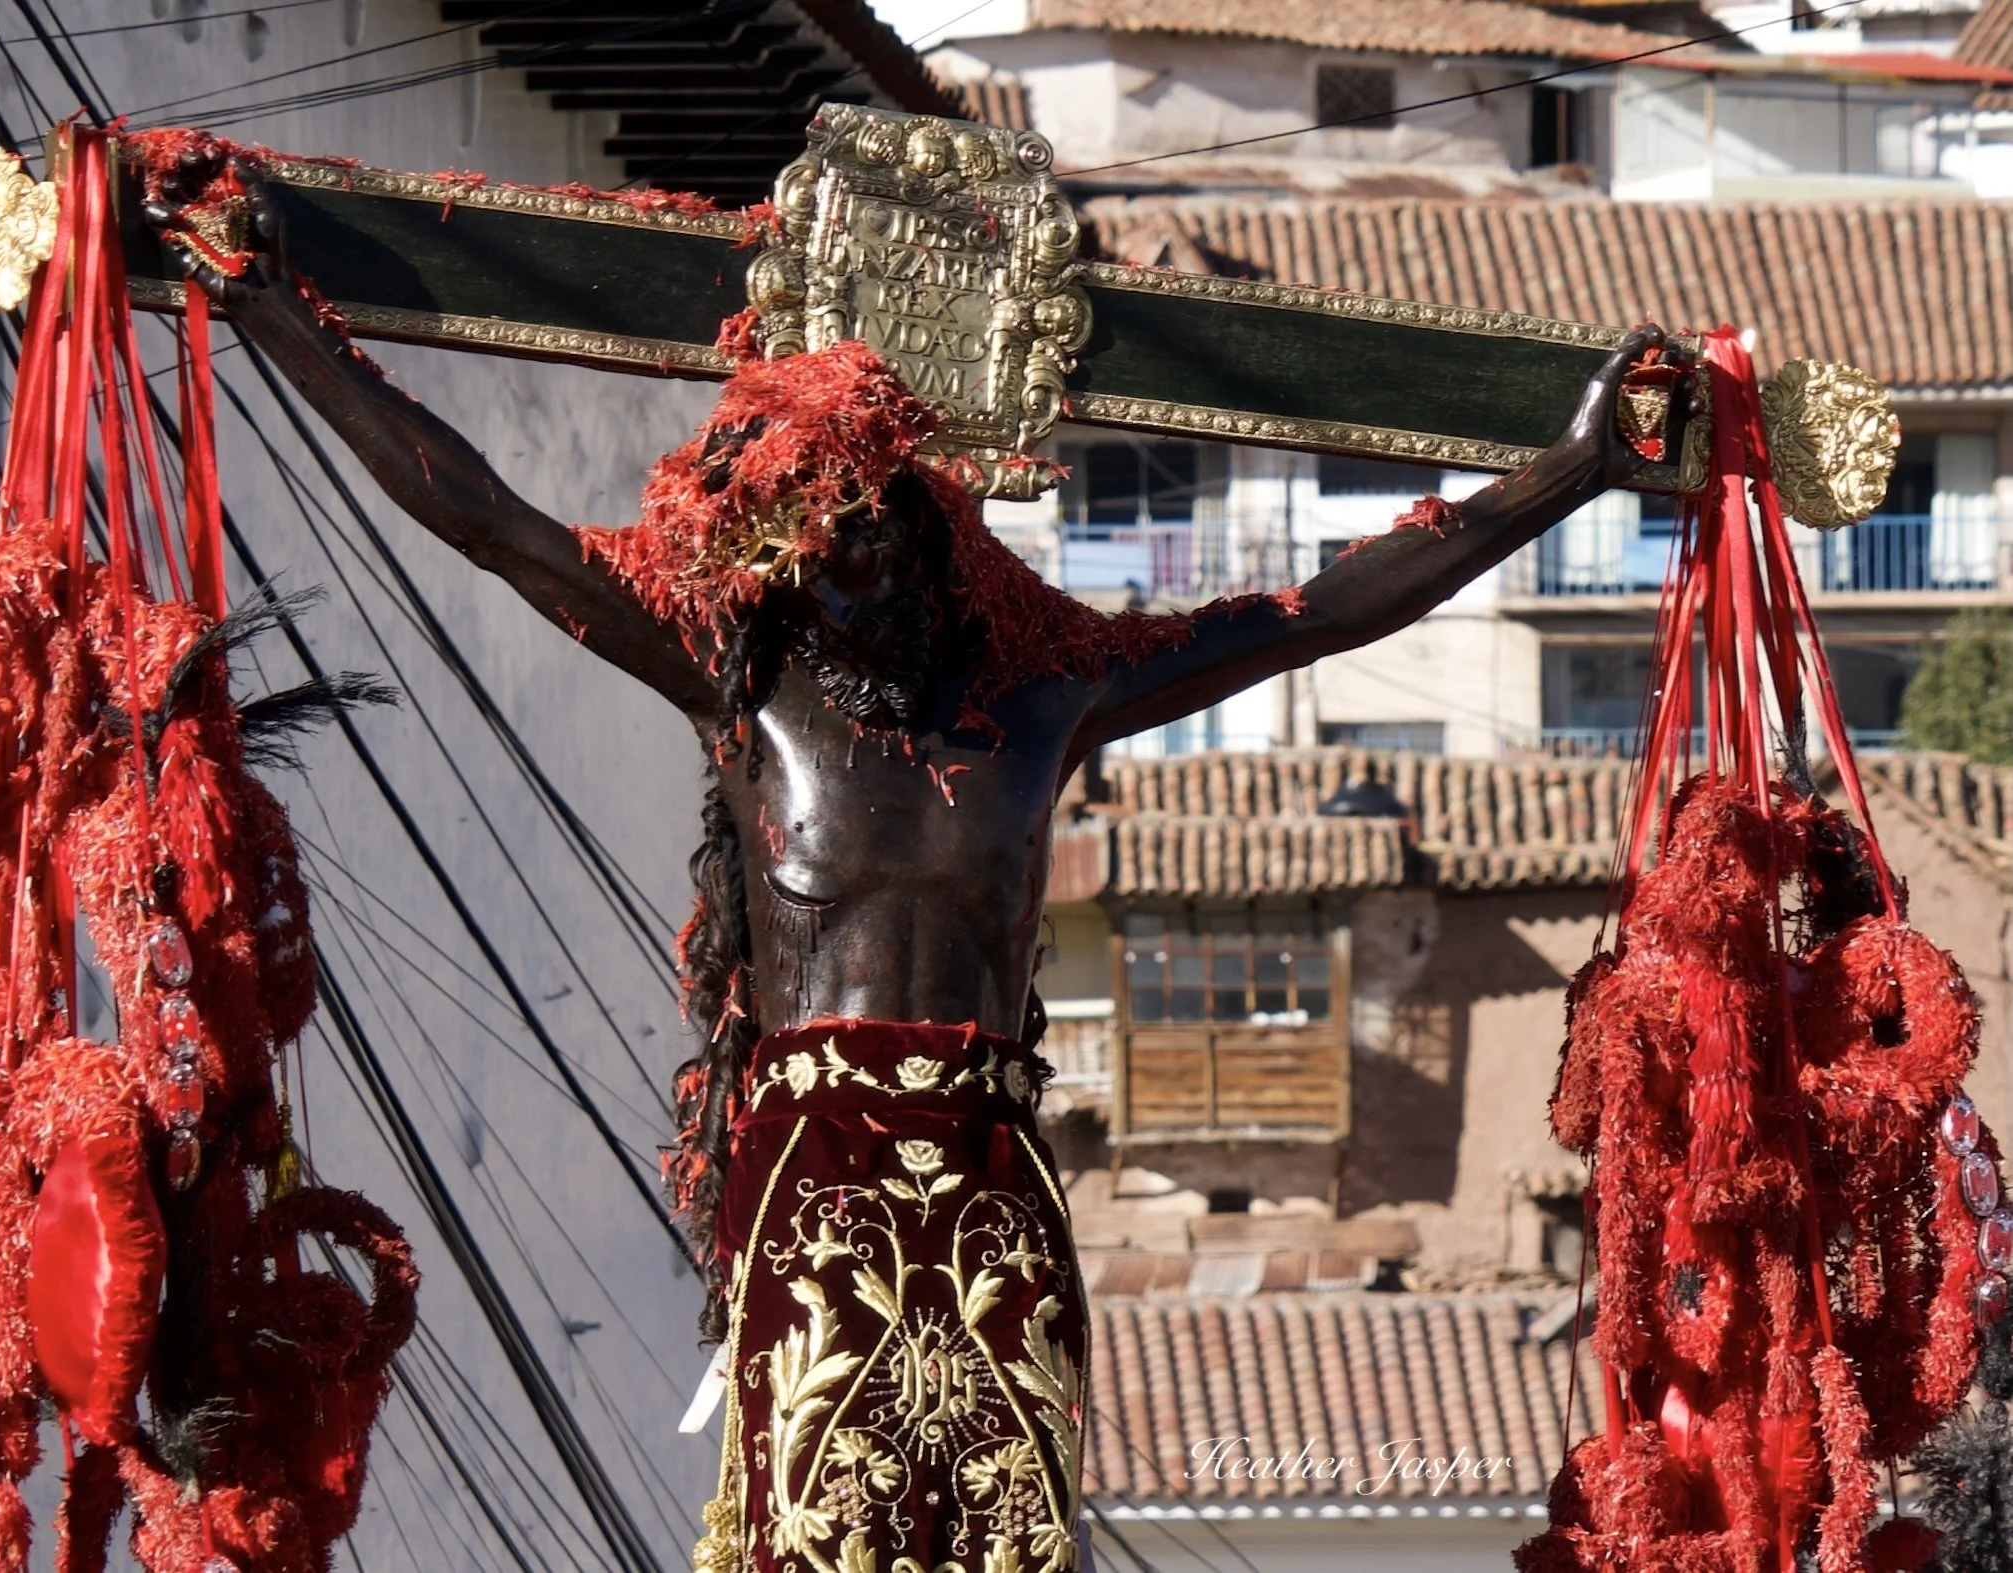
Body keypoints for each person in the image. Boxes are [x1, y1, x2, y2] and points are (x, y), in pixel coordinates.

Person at [149, 164, 1675, 1573]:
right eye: (811, 546)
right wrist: (275, 307)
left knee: (1008, 1526)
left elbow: (1326, 611)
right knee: (813, 1523)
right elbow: (482, 518)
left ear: (937, 542)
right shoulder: (734, 679)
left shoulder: (1047, 692)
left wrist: (1574, 469)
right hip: (809, 1180)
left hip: (997, 1167)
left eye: (872, 540)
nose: (843, 576)